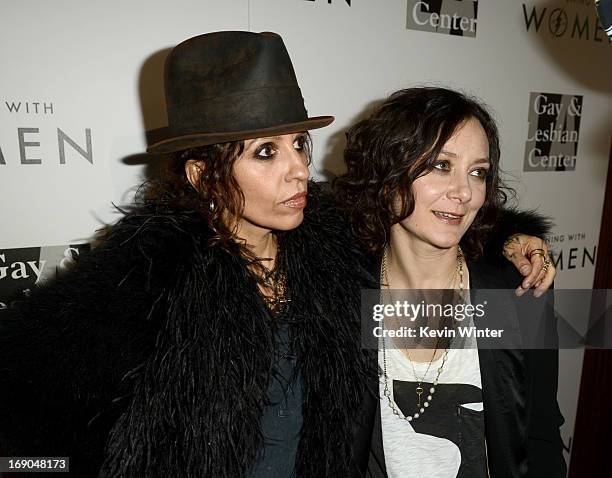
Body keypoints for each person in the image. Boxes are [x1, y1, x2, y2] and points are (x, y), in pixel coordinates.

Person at [0, 33, 553, 477]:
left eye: (299, 145)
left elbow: (421, 208)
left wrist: (514, 236)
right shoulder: (141, 283)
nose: (296, 170)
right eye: (266, 152)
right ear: (203, 175)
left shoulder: (331, 249)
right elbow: (24, 439)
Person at [334, 87, 565, 477]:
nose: (464, 192)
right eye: (441, 165)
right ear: (388, 172)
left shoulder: (520, 291)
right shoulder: (338, 293)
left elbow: (541, 437)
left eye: (478, 172)